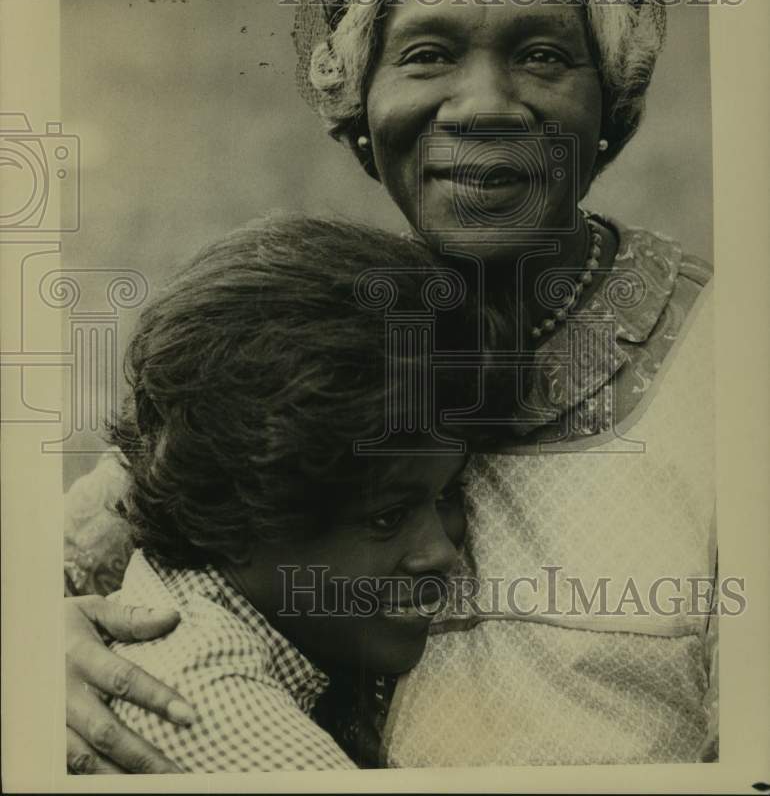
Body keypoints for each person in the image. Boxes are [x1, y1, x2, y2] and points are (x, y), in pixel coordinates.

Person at [64, 0, 716, 770]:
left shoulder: (734, 374)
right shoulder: (290, 338)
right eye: (425, 55)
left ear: (612, 98)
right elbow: (103, 534)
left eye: (543, 54)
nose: (486, 103)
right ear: (356, 99)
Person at [68, 213, 519, 772]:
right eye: (386, 517)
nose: (443, 553)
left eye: (448, 493)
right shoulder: (224, 720)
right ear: (234, 516)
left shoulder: (218, 606)